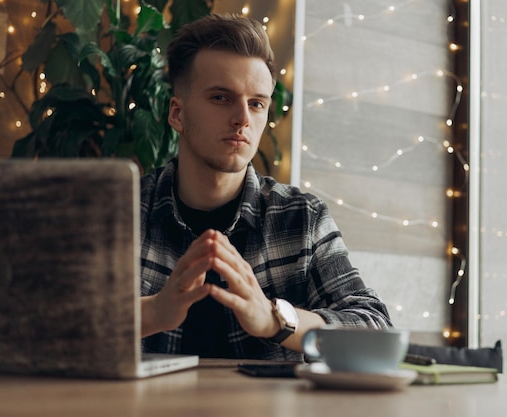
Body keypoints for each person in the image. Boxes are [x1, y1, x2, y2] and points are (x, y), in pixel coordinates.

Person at [139, 13, 392, 361]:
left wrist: (276, 320)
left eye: (257, 103)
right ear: (177, 114)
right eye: (220, 98)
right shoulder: (121, 212)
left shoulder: (302, 218)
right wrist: (153, 312)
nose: (243, 118)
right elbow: (45, 324)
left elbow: (375, 331)